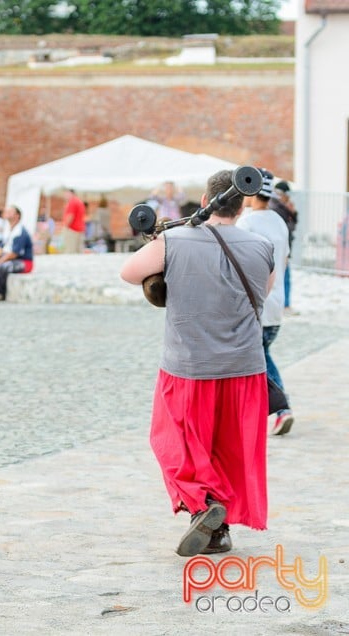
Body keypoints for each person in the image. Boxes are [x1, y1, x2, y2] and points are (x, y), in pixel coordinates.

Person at [119, 168, 274, 557]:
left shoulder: (173, 241)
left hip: (189, 367)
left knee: (174, 443)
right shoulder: (261, 247)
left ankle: (203, 505)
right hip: (245, 368)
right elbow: (264, 291)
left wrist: (173, 236)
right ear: (243, 206)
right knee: (228, 451)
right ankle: (216, 530)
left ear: (205, 201)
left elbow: (128, 272)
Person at [237, 169, 295, 436]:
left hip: (256, 304)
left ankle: (280, 409)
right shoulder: (279, 222)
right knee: (261, 356)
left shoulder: (247, 224)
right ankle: (263, 412)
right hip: (276, 302)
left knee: (257, 361)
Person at [0, 206, 34, 301]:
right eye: (7, 211)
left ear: (17, 215)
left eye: (10, 211)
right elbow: (1, 248)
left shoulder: (20, 232)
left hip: (23, 261)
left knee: (2, 267)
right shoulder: (8, 230)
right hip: (8, 258)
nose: (7, 213)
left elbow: (14, 254)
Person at [269, 180, 298, 313]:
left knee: (284, 278)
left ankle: (284, 304)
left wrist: (293, 213)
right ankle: (284, 305)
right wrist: (292, 213)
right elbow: (287, 229)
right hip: (280, 249)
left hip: (283, 248)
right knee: (283, 278)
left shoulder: (281, 207)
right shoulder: (277, 208)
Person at [60, 187, 86, 254]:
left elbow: (70, 216)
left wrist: (65, 227)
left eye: (65, 193)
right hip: (79, 229)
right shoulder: (79, 201)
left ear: (70, 193)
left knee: (70, 251)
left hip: (72, 230)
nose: (64, 195)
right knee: (78, 251)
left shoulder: (72, 202)